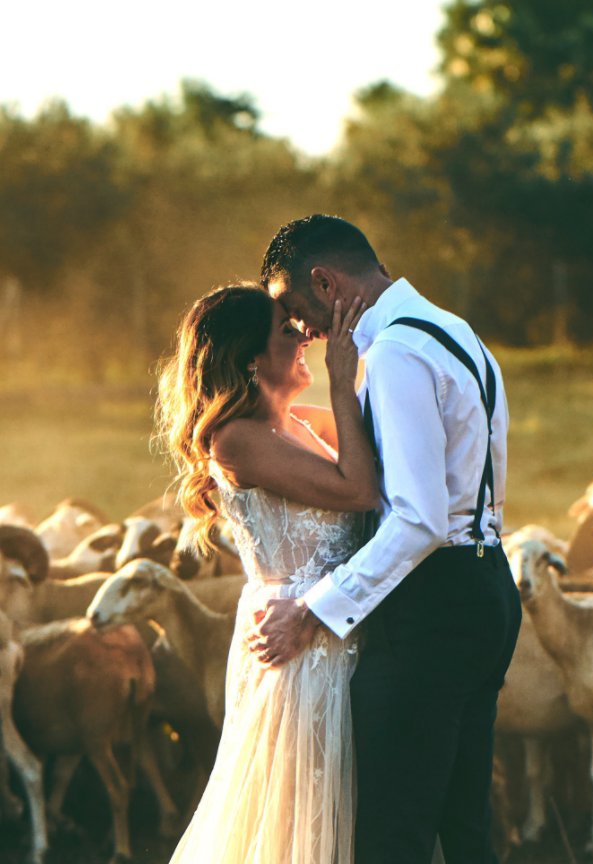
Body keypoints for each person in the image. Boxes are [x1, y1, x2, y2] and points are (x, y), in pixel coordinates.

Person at [256, 214, 522, 864]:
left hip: (430, 608)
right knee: (464, 832)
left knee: (391, 836)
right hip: (486, 585)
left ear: (325, 280)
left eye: (296, 309)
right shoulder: (454, 331)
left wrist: (316, 609)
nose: (303, 332)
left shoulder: (397, 353)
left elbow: (418, 519)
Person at [155, 281, 376, 864]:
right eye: (288, 330)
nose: (304, 337)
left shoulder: (293, 422)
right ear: (250, 358)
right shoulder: (238, 440)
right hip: (300, 650)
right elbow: (359, 487)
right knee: (300, 815)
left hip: (336, 629)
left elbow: (380, 445)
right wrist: (341, 377)